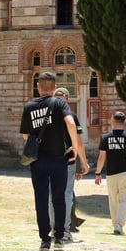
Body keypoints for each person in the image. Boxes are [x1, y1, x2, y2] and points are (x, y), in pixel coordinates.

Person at [19, 72, 89, 251]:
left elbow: (26, 136)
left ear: (38, 86)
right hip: (59, 159)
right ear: (54, 86)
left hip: (38, 160)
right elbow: (71, 124)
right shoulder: (60, 103)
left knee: (41, 199)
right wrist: (74, 146)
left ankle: (44, 239)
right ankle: (59, 237)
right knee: (59, 198)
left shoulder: (29, 106)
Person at [49, 87, 85, 242]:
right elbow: (78, 141)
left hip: (49, 158)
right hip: (66, 159)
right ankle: (63, 231)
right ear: (67, 99)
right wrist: (83, 162)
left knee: (52, 194)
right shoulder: (72, 116)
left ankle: (54, 229)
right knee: (66, 193)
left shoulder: (46, 115)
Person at [95, 111, 126, 235]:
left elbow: (101, 157)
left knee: (113, 200)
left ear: (112, 121)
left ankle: (115, 224)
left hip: (111, 174)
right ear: (123, 122)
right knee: (124, 199)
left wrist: (97, 173)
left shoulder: (106, 138)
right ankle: (119, 224)